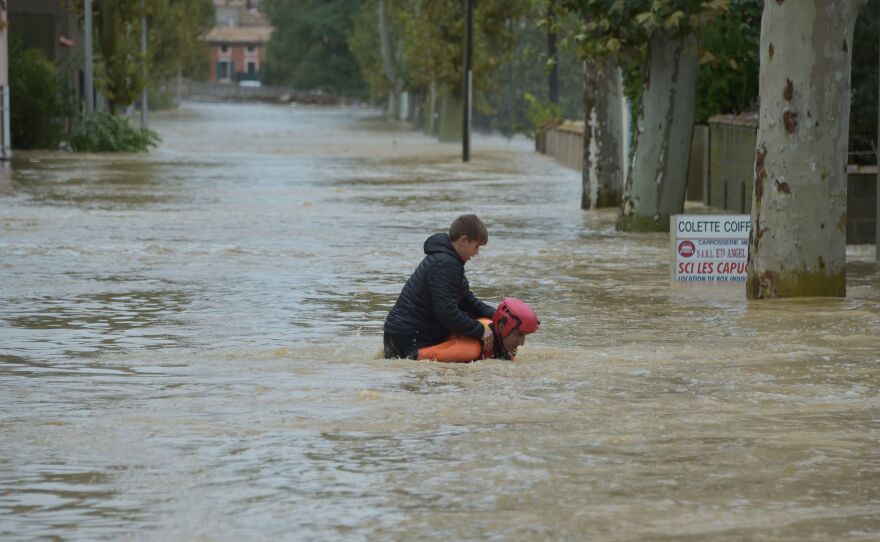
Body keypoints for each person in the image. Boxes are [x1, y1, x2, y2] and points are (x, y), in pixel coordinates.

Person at [384, 214, 495, 359]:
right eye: (476, 246)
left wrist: (497, 315)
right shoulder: (446, 264)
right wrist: (480, 331)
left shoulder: (447, 259)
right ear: (463, 240)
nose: (476, 253)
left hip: (398, 335)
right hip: (409, 338)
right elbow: (446, 312)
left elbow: (466, 300)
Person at [416, 297, 540, 362]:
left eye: (525, 336)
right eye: (518, 334)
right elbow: (416, 358)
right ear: (502, 327)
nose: (522, 343)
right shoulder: (472, 348)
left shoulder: (507, 346)